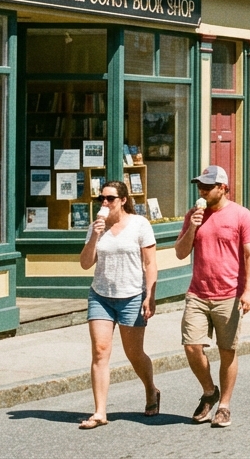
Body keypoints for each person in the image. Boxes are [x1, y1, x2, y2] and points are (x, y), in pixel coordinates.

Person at [174, 166, 250, 428]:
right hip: (198, 293)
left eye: (208, 187)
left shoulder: (241, 215)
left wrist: (248, 290)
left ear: (223, 187)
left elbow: (249, 255)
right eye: (200, 186)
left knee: (227, 351)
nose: (202, 191)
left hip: (228, 294)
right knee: (191, 346)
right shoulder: (194, 215)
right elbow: (180, 253)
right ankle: (210, 391)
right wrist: (193, 227)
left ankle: (224, 406)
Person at [76, 181, 159, 429]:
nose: (104, 203)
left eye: (110, 198)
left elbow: (150, 263)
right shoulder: (95, 227)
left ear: (123, 200)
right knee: (100, 351)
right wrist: (95, 236)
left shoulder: (139, 225)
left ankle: (151, 390)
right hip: (101, 295)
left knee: (134, 353)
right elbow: (85, 263)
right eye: (101, 199)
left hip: (132, 294)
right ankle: (100, 412)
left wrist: (150, 295)